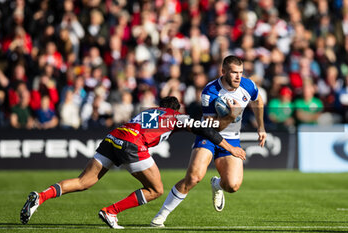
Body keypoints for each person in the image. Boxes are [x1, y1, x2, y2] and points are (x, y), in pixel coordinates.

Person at [20, 96, 246, 229]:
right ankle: (111, 211)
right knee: (156, 189)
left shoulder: (149, 111)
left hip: (114, 136)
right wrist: (230, 147)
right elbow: (206, 130)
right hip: (133, 143)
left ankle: (40, 197)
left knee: (83, 181)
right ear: (175, 109)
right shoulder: (176, 116)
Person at [151, 55, 267, 227]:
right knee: (193, 178)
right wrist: (231, 116)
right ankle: (161, 215)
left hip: (233, 138)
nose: (238, 77)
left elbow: (258, 101)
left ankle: (217, 184)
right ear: (223, 72)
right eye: (234, 72)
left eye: (241, 73)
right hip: (209, 136)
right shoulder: (210, 91)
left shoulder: (247, 85)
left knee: (232, 185)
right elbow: (213, 129)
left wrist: (261, 126)